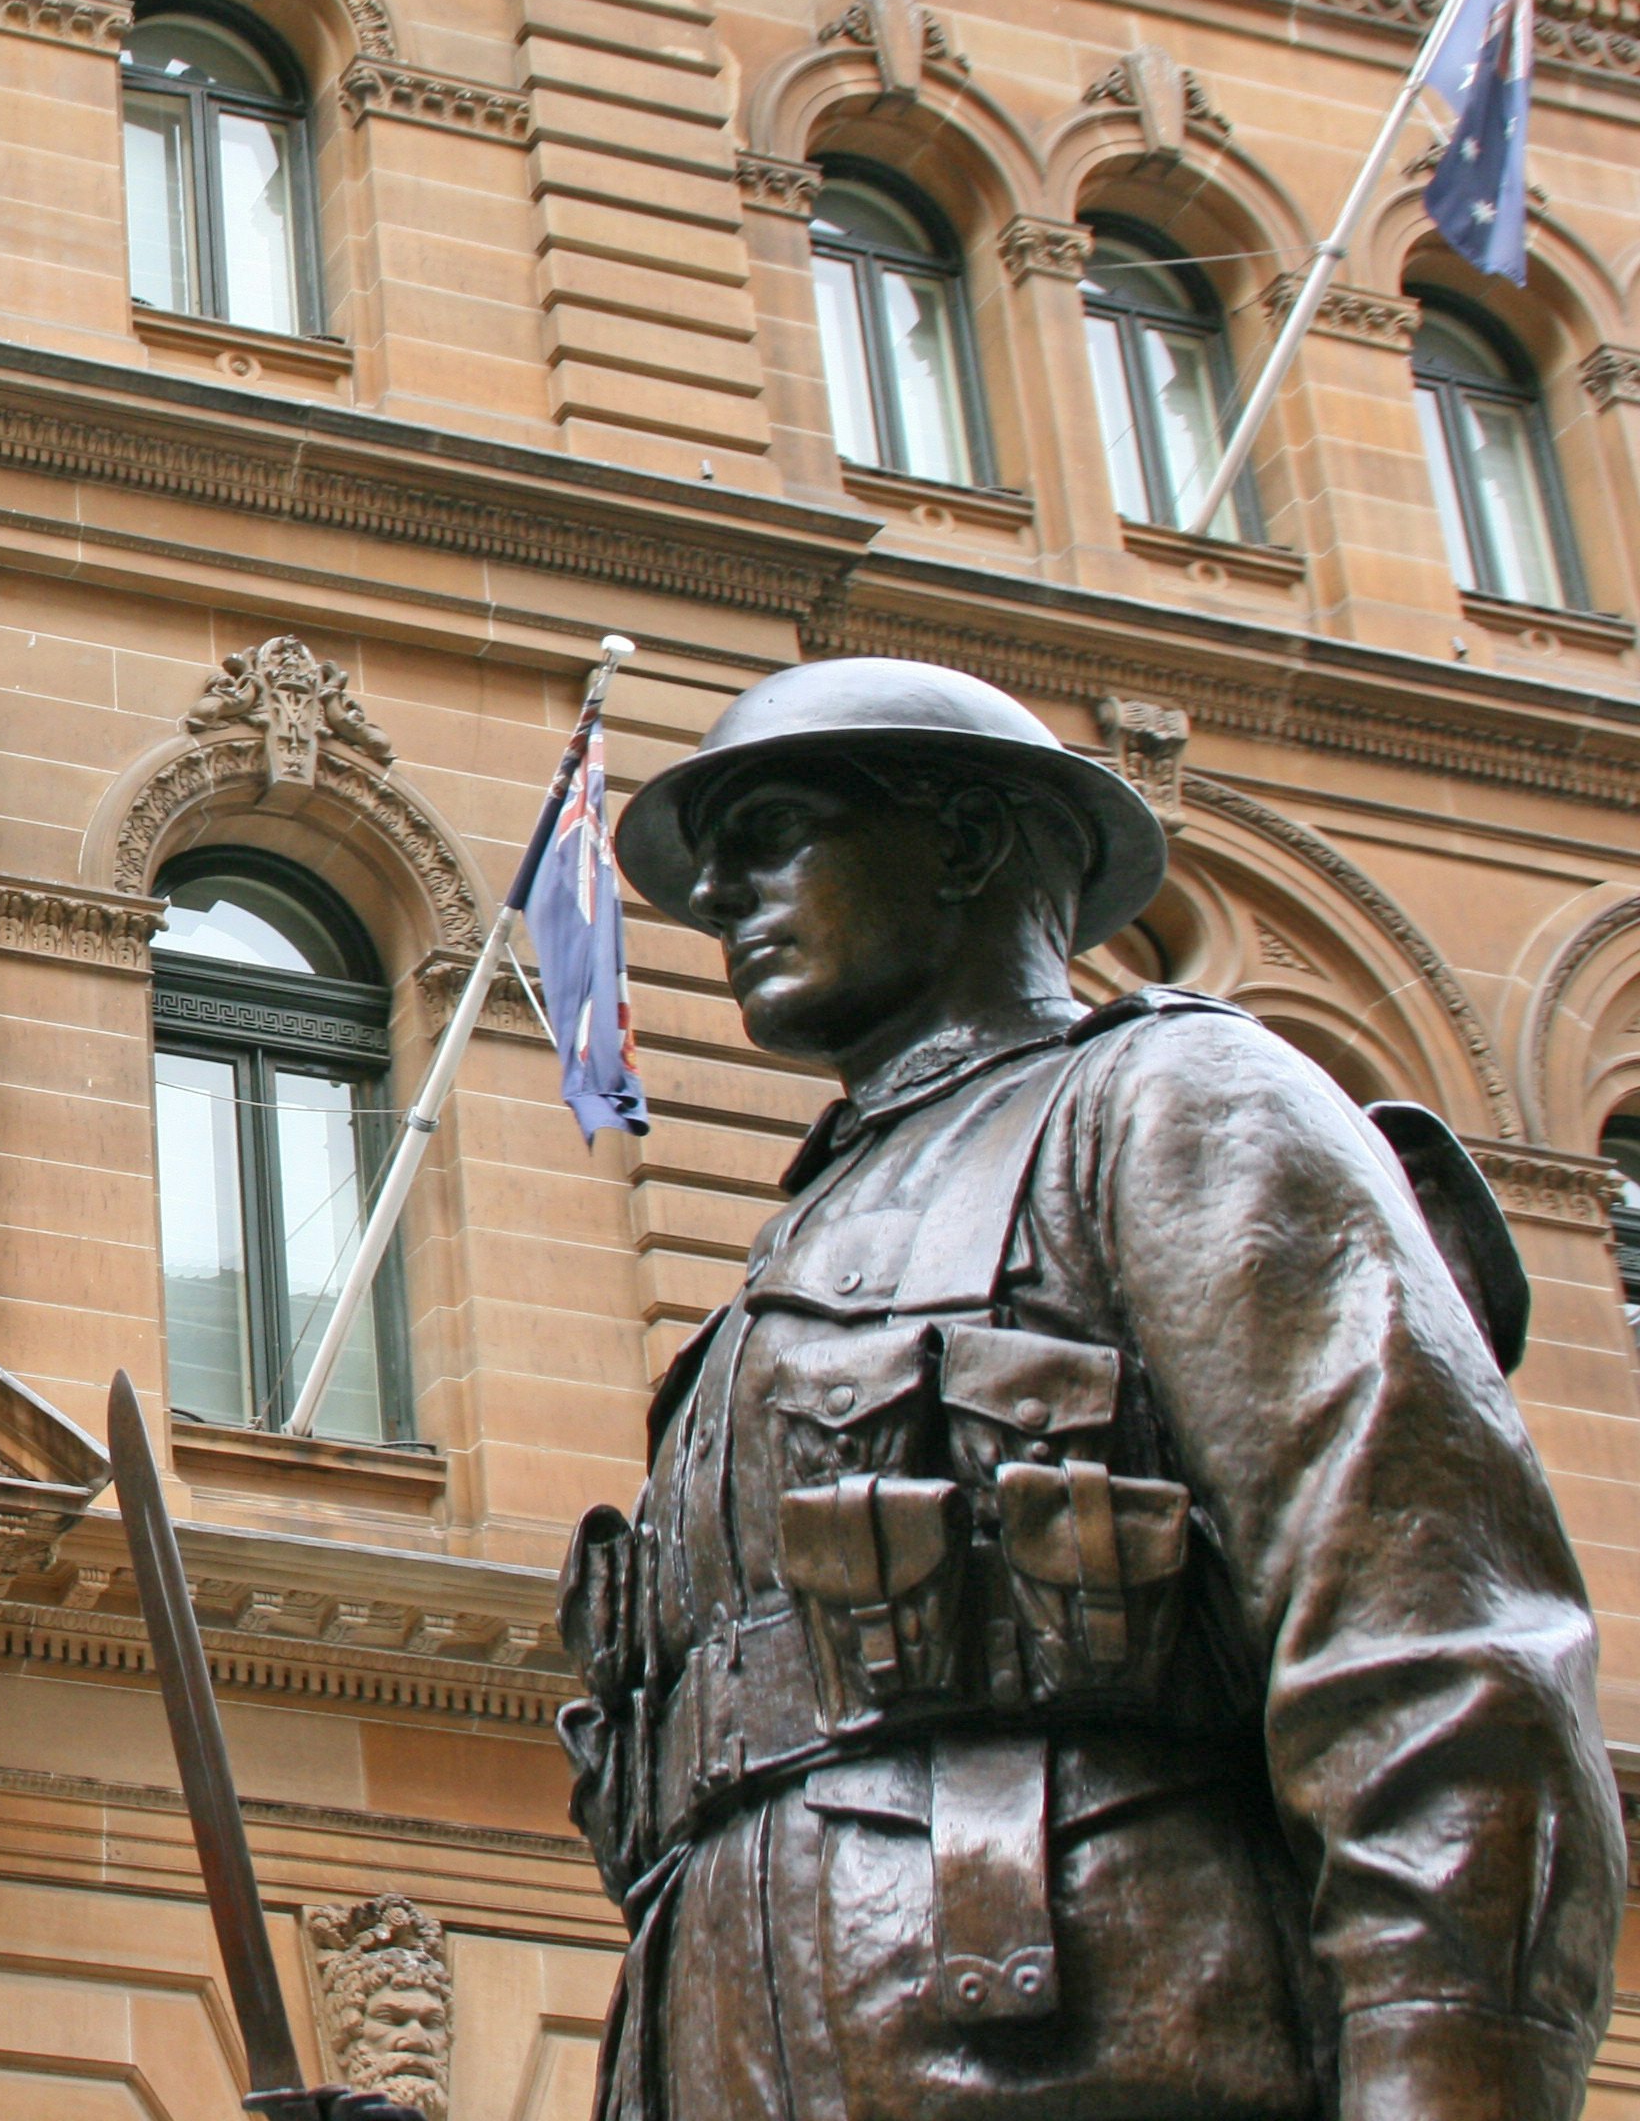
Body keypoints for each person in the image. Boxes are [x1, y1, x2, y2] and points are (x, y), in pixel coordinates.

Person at [562, 657, 1614, 2121]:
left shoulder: (1178, 1102)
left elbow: (1431, 1654)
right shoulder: (761, 1293)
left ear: (967, 839)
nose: (720, 893)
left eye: (776, 831)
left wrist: (1447, 2079)